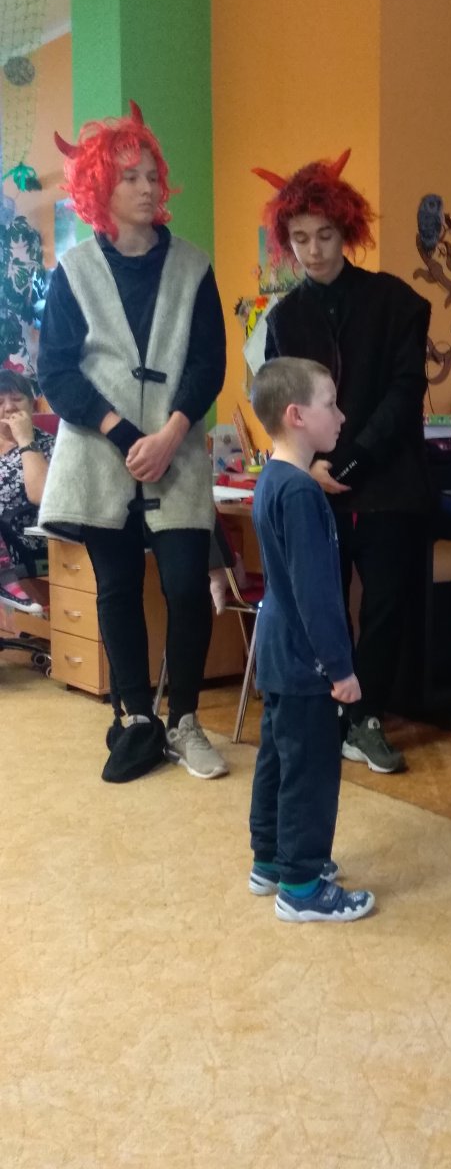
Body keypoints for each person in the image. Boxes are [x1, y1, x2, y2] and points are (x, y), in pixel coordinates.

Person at [37, 102, 228, 781]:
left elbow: (208, 361)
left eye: (152, 175)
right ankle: (137, 718)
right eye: (130, 177)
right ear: (100, 188)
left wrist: (172, 431)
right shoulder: (73, 270)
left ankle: (185, 720)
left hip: (177, 450)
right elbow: (56, 371)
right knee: (117, 587)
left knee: (185, 584)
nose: (148, 187)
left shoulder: (193, 266)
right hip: (99, 451)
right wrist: (122, 431)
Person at [255, 150, 431, 774]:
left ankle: (366, 716)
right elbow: (278, 404)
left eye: (325, 235)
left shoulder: (396, 303)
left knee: (384, 604)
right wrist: (308, 468)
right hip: (312, 485)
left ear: (346, 231)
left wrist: (349, 464)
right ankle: (331, 707)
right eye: (300, 238)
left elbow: (403, 395)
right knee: (321, 601)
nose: (313, 250)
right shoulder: (283, 318)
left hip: (387, 485)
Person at [247, 356, 375, 922]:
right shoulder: (300, 492)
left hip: (277, 648)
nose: (342, 417)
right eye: (331, 404)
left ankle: (271, 859)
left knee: (279, 757)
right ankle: (300, 888)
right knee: (311, 770)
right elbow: (318, 593)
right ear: (296, 415)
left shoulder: (273, 479)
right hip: (305, 657)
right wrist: (341, 668)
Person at [0, 368, 53, 612]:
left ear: (32, 405)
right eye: (0, 402)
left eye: (17, 399)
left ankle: (6, 582)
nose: (9, 407)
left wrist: (24, 440)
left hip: (26, 542)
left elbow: (41, 495)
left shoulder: (48, 444)